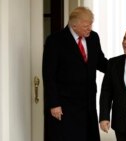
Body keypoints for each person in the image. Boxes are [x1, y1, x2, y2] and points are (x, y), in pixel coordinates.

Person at [42, 6, 108, 141]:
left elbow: (101, 62)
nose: (90, 28)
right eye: (86, 25)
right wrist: (54, 103)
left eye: (91, 24)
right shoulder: (55, 41)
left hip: (88, 103)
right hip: (65, 105)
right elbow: (49, 75)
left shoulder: (93, 38)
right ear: (74, 25)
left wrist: (122, 66)